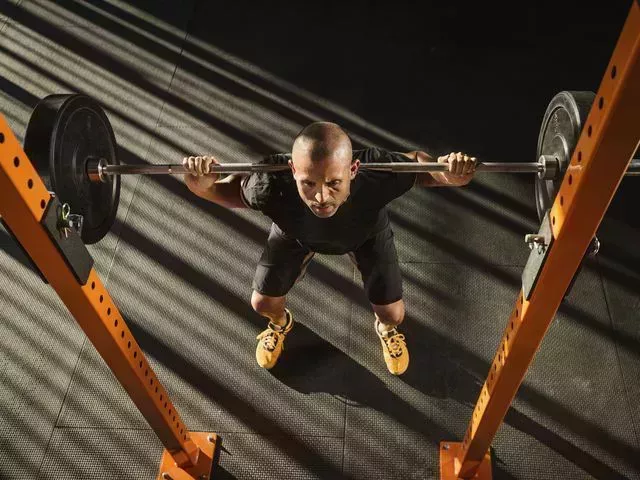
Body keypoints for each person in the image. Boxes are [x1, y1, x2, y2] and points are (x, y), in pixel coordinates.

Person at [183, 122, 476, 375]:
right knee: (262, 304)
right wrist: (201, 185)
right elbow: (223, 190)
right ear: (293, 169)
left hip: (364, 236)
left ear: (354, 169)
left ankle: (386, 330)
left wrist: (449, 174)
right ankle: (280, 324)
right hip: (295, 236)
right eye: (308, 183)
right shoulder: (271, 183)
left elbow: (419, 165)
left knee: (393, 315)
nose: (321, 196)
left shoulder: (377, 173)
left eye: (334, 182)